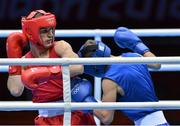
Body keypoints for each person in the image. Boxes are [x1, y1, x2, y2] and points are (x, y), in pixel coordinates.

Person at [8, 9, 95, 125]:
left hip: (74, 114)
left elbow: (78, 67)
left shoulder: (60, 47)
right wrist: (13, 59)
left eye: (52, 29)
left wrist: (46, 73)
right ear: (30, 33)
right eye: (44, 31)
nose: (51, 35)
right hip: (46, 119)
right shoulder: (25, 62)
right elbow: (16, 90)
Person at [76, 27, 169, 125]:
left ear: (93, 66)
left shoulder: (109, 80)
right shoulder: (133, 56)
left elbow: (106, 118)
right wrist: (138, 45)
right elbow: (157, 64)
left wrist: (86, 99)